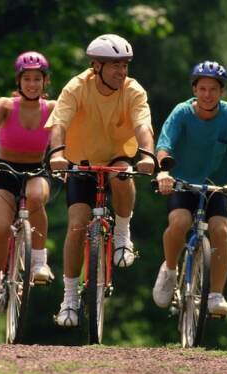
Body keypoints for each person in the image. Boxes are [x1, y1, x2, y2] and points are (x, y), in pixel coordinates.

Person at [46, 34, 155, 327]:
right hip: (80, 160)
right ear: (96, 66)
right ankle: (69, 298)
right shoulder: (76, 87)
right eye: (115, 66)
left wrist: (148, 156)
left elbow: (143, 127)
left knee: (122, 175)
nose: (122, 72)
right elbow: (59, 124)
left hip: (117, 155)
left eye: (125, 66)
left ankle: (122, 232)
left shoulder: (133, 90)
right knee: (76, 226)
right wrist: (57, 153)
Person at [152, 61, 227, 318]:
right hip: (182, 183)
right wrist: (163, 171)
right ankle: (170, 269)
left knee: (220, 230)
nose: (208, 94)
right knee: (180, 222)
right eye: (203, 88)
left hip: (217, 186)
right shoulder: (181, 113)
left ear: (222, 92)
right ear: (194, 89)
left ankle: (216, 294)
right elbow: (165, 145)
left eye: (213, 89)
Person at [0, 51, 56, 321]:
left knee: (35, 197)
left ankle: (39, 262)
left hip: (36, 170)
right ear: (18, 81)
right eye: (27, 78)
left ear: (45, 81)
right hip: (3, 171)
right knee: (0, 228)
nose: (32, 84)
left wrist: (63, 160)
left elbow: (60, 139)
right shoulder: (5, 105)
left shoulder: (52, 108)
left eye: (37, 79)